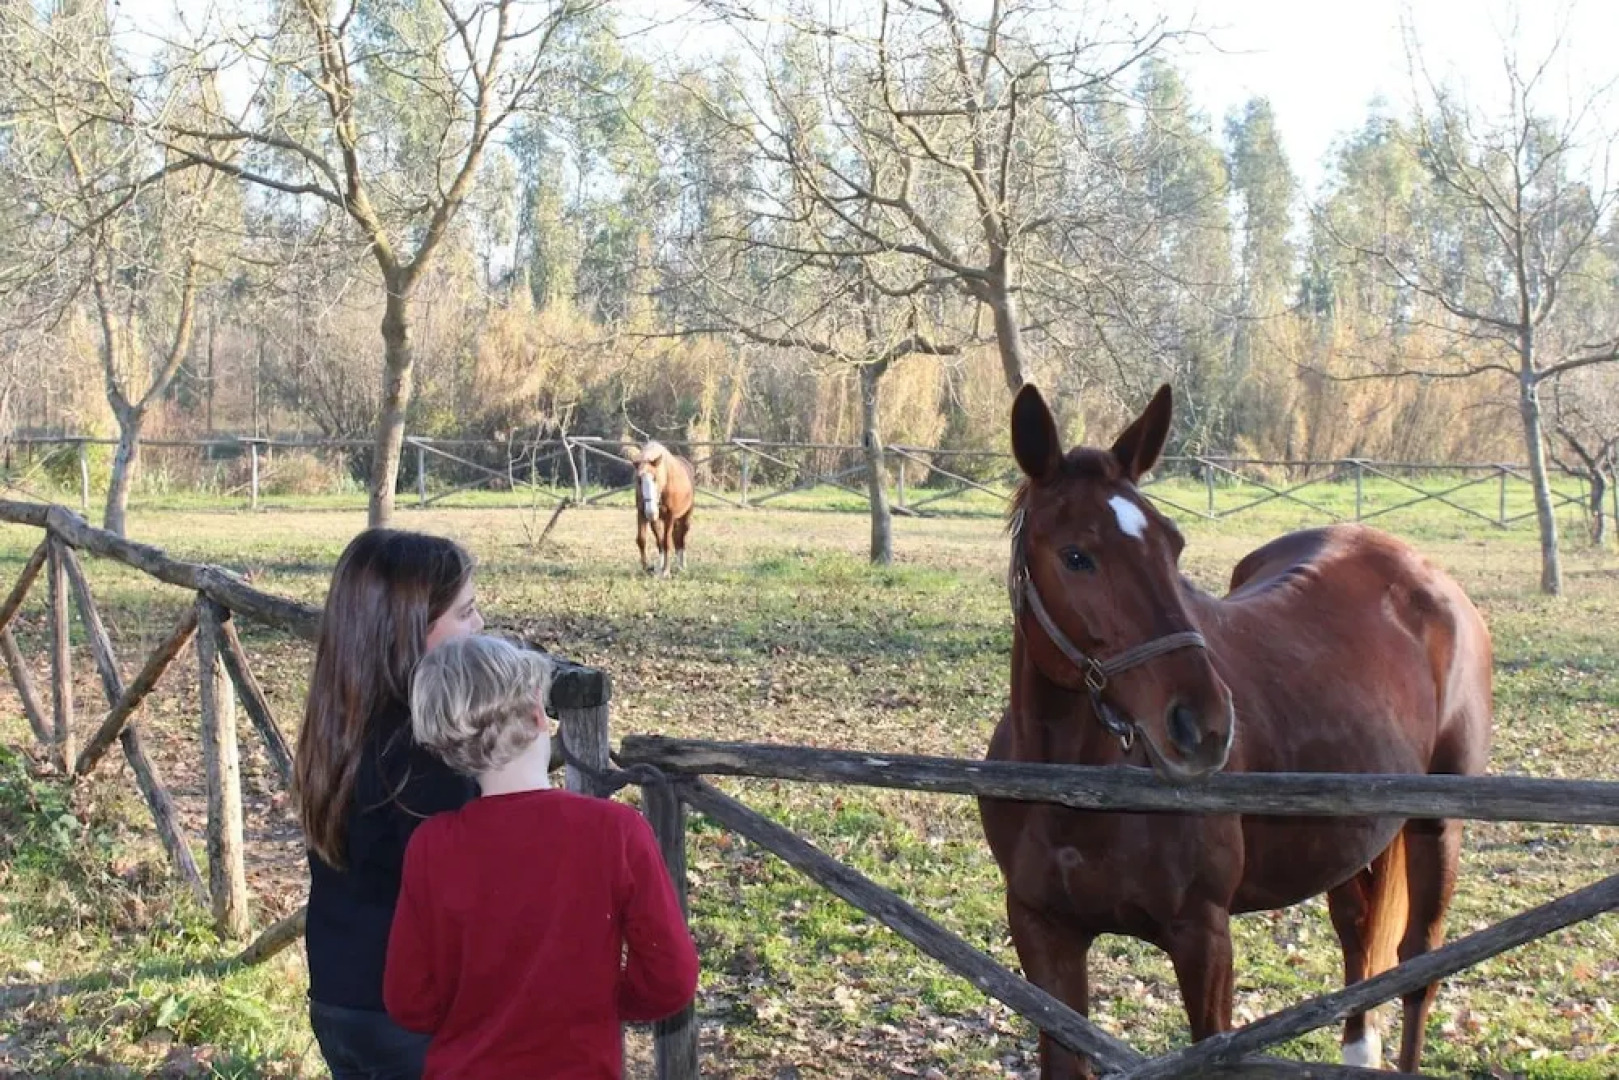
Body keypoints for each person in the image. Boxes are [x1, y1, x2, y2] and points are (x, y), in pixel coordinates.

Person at [384, 634, 699, 1078]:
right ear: (538, 715)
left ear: (446, 748)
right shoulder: (616, 832)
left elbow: (408, 1000)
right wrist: (607, 999)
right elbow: (671, 978)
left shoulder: (432, 847)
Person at [295, 529, 485, 1080]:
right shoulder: (425, 760)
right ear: (411, 633)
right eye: (466, 612)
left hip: (338, 999)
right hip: (410, 1019)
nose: (480, 626)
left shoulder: (340, 726)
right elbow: (466, 897)